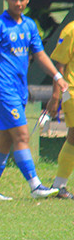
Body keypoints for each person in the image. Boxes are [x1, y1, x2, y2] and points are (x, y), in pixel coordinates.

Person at [0, 0, 68, 200]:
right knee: (22, 135)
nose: (18, 3)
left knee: (5, 139)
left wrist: (57, 77)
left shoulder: (30, 26)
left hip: (19, 90)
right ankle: (35, 186)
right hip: (3, 90)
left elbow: (40, 55)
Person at [46, 19, 74, 198]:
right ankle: (59, 185)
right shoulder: (71, 30)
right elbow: (60, 64)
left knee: (72, 138)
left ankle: (59, 185)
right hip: (72, 91)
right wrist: (55, 95)